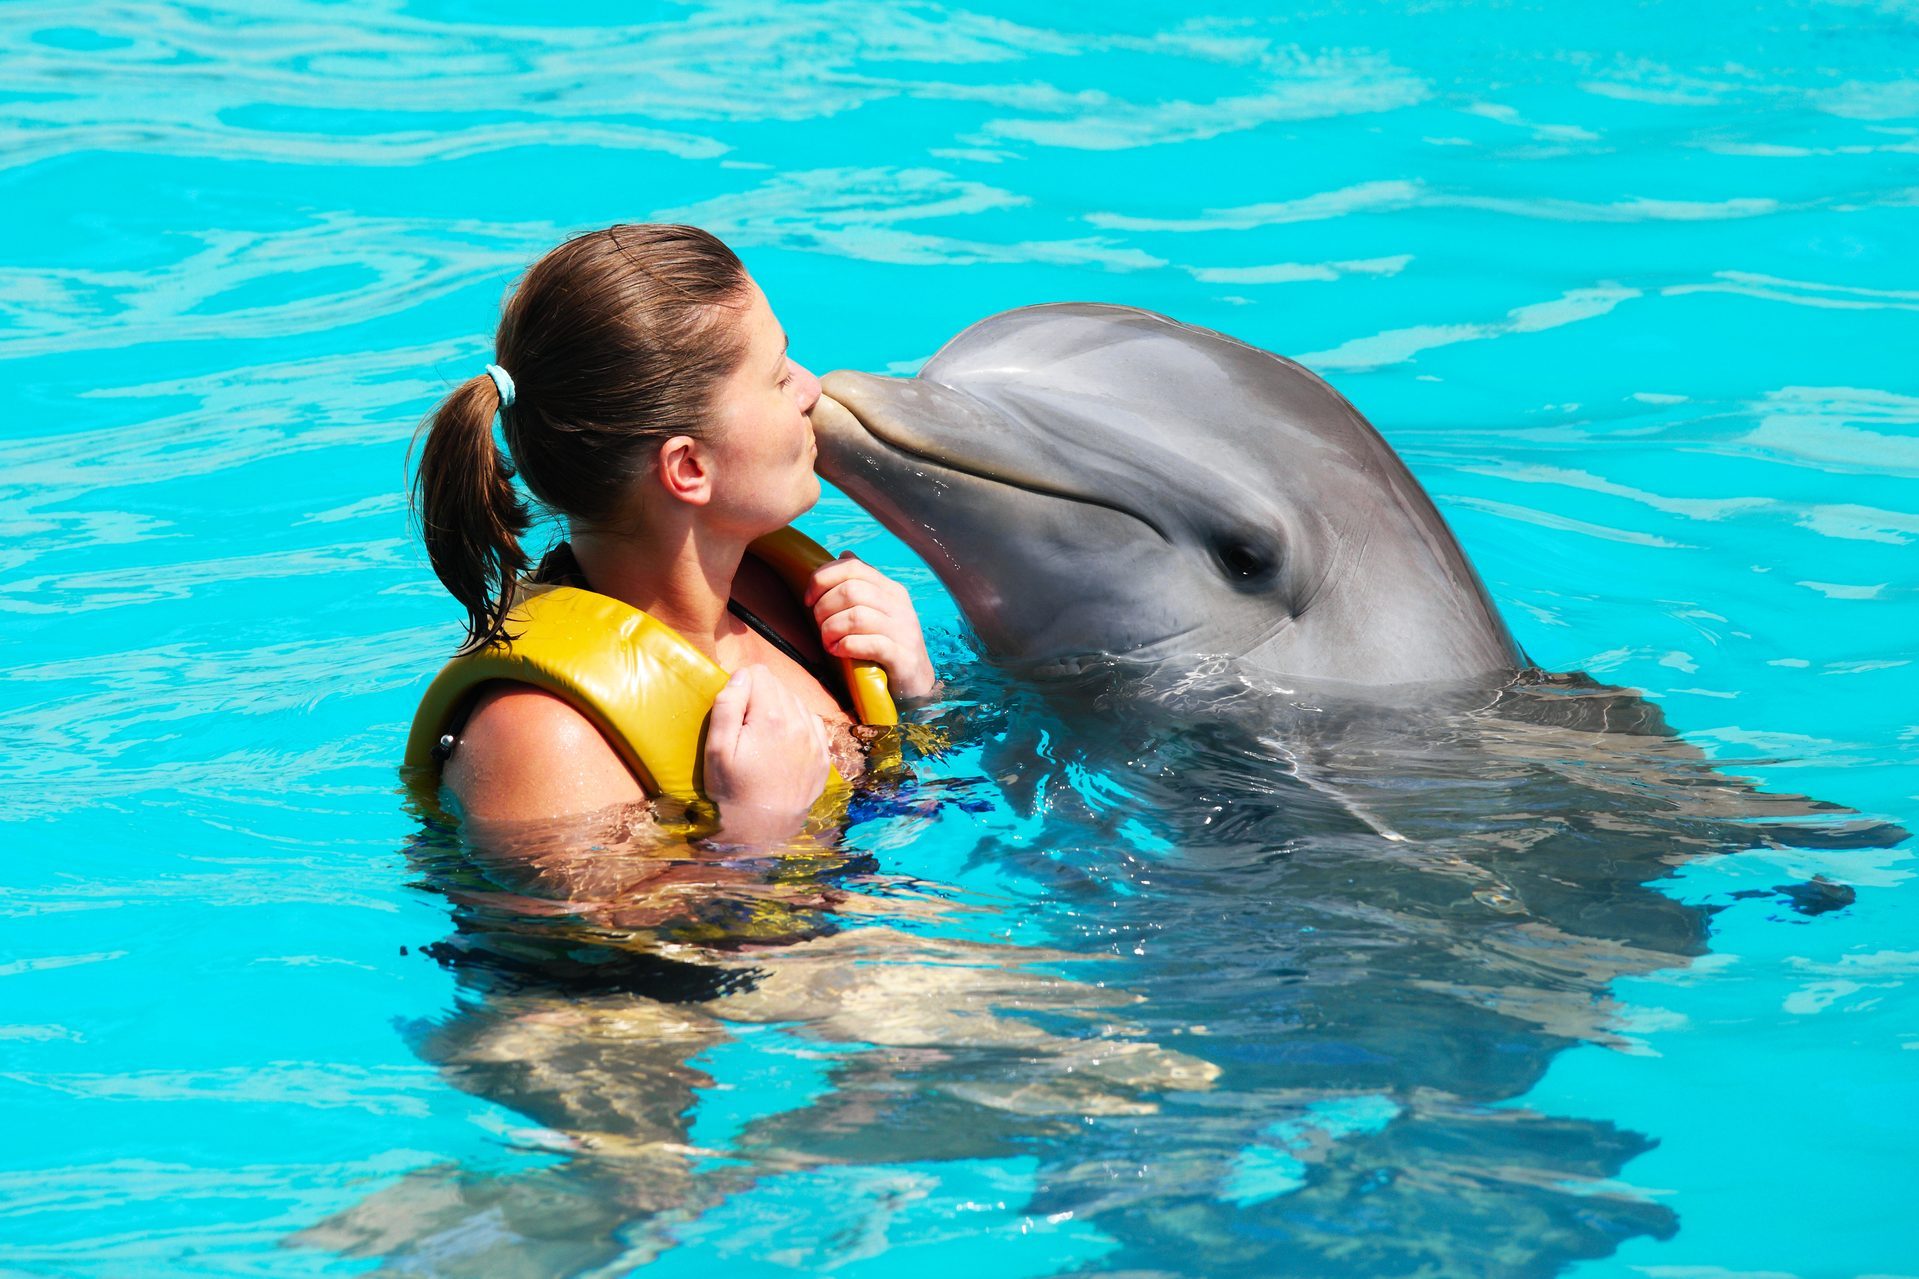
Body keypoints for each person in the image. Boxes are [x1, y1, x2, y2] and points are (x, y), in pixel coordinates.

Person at [410, 224, 935, 845]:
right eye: (776, 376)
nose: (811, 387)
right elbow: (581, 943)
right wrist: (758, 830)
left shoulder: (783, 600)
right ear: (689, 468)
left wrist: (920, 694)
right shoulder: (542, 742)